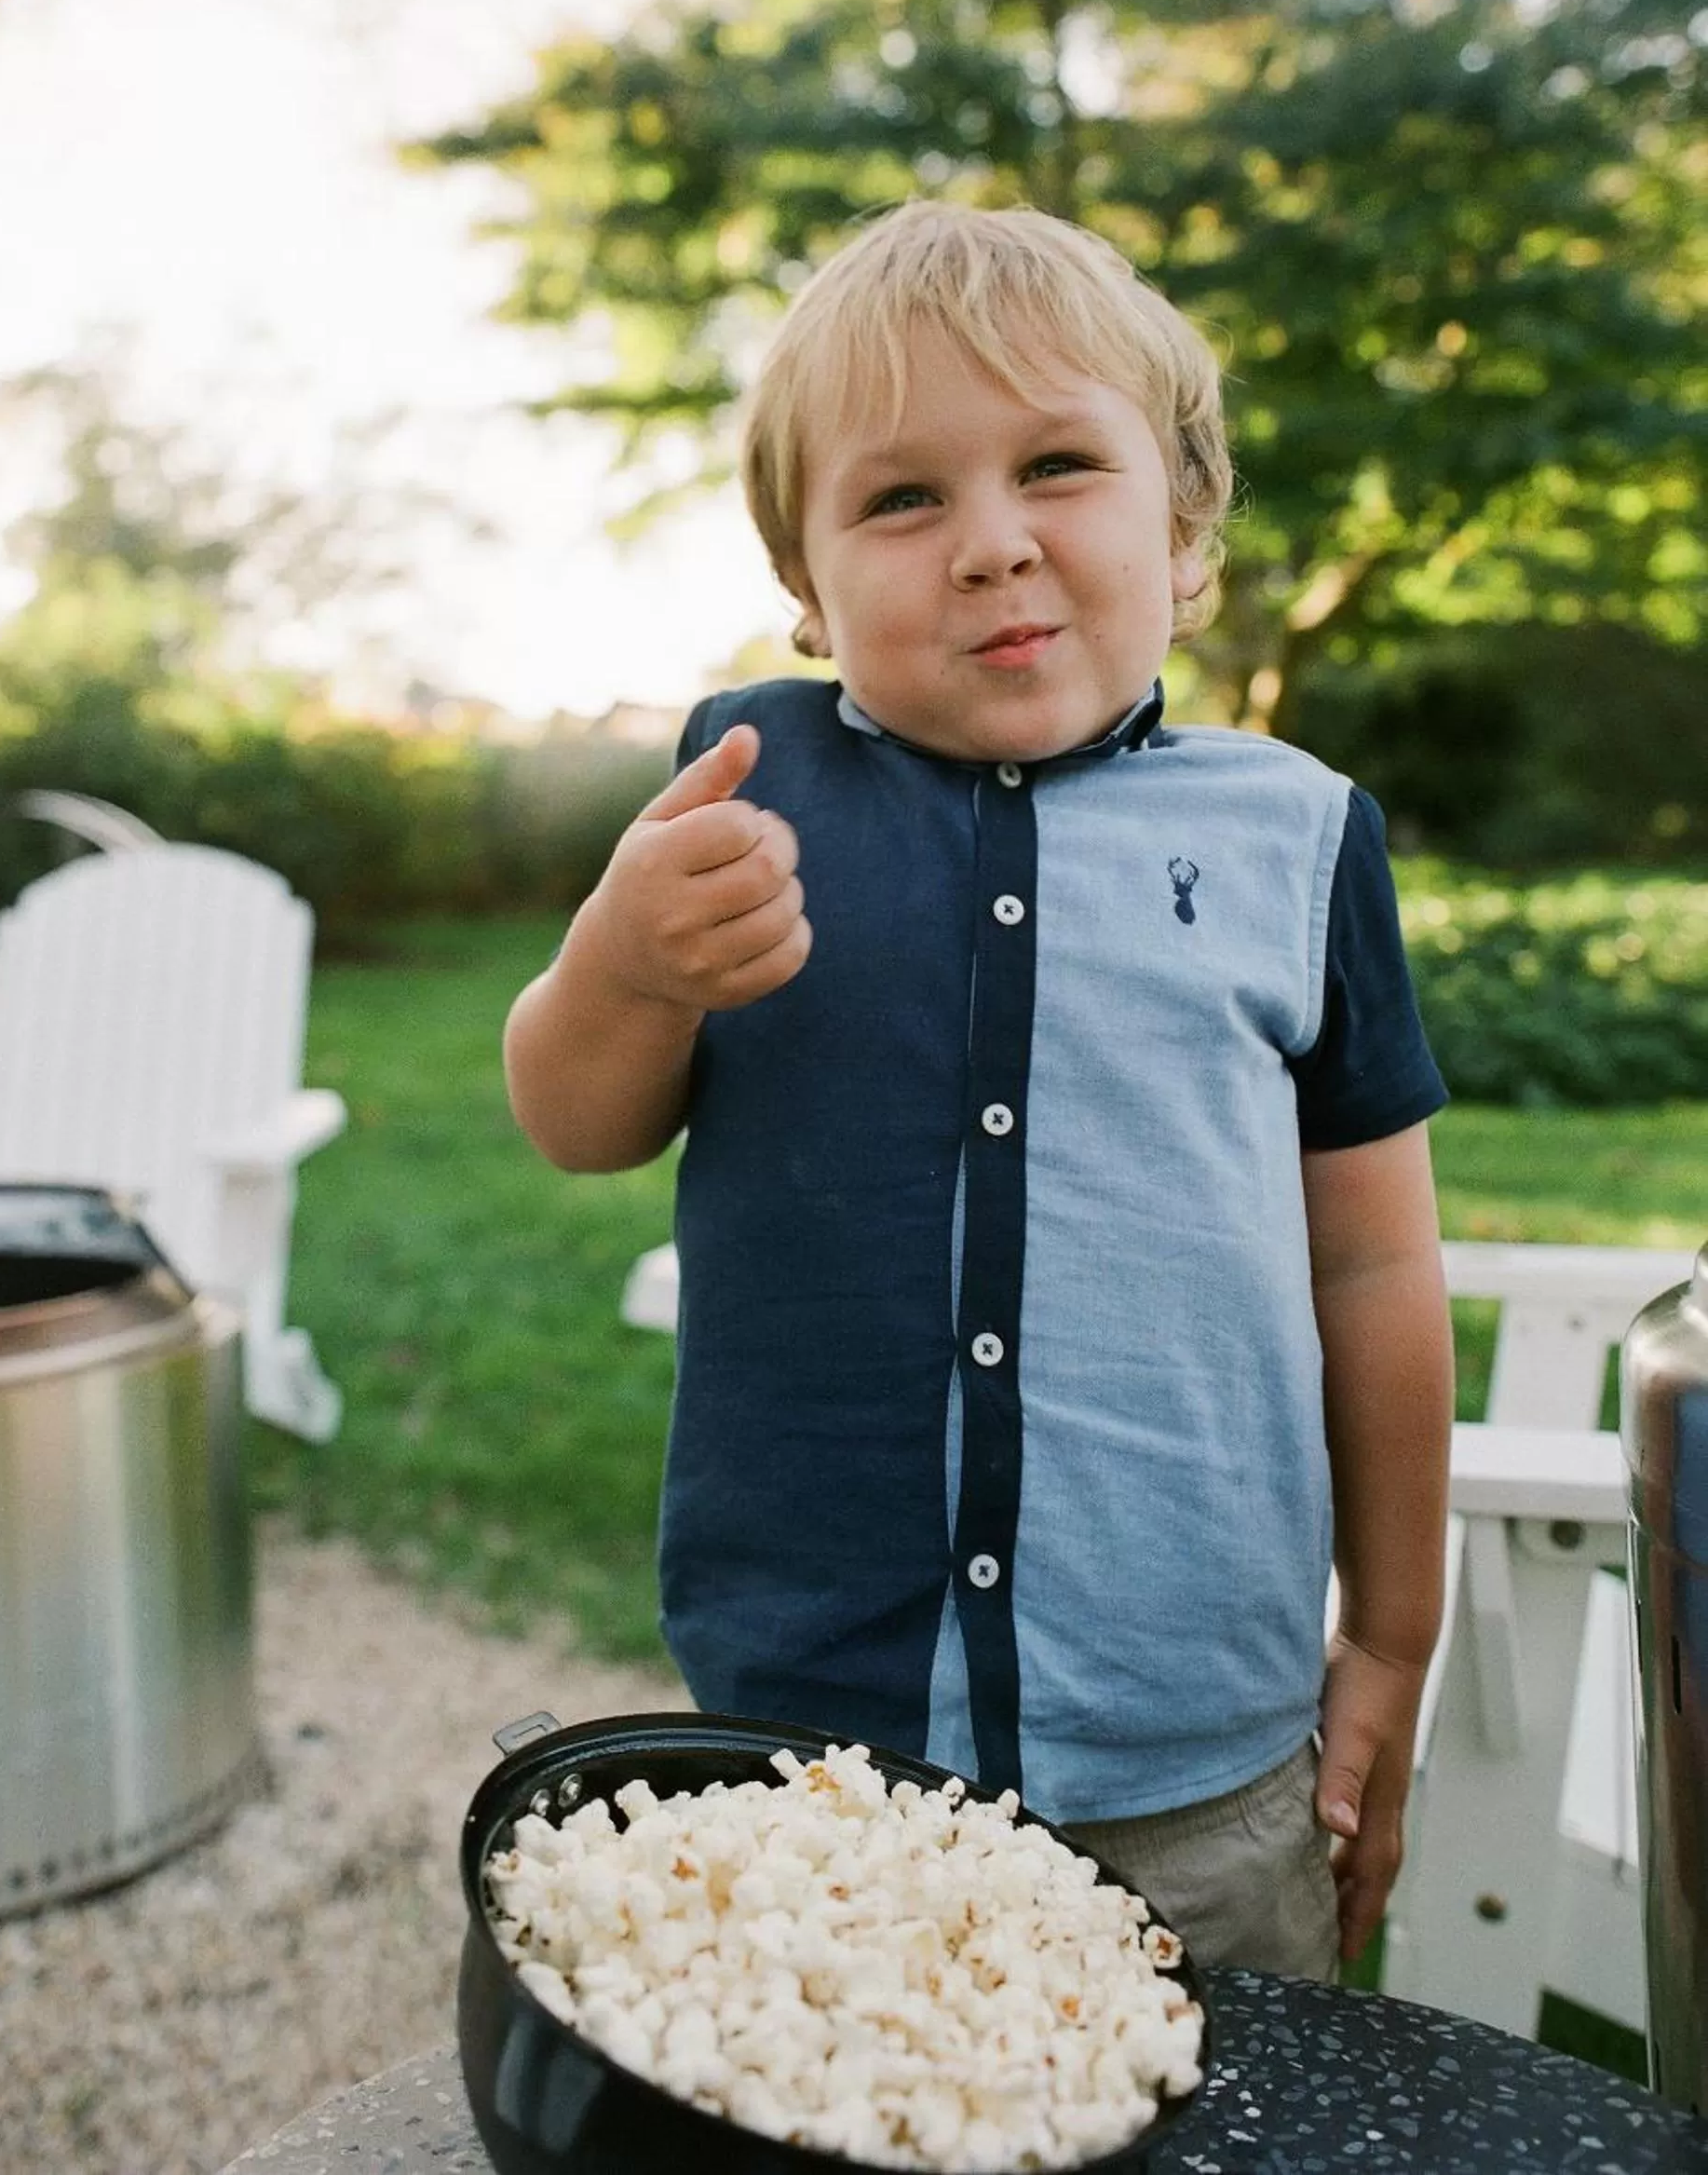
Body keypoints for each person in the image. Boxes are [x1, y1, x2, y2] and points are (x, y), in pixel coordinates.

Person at [503, 200, 1454, 1980]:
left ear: (1185, 528)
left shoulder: (1298, 836)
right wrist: (624, 965)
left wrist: (1391, 1637)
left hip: (1198, 1765)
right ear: (806, 584)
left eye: (1058, 468)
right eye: (902, 498)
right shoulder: (745, 789)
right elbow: (575, 1121)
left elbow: (1378, 1267)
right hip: (813, 1759)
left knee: (1226, 2101)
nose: (993, 544)